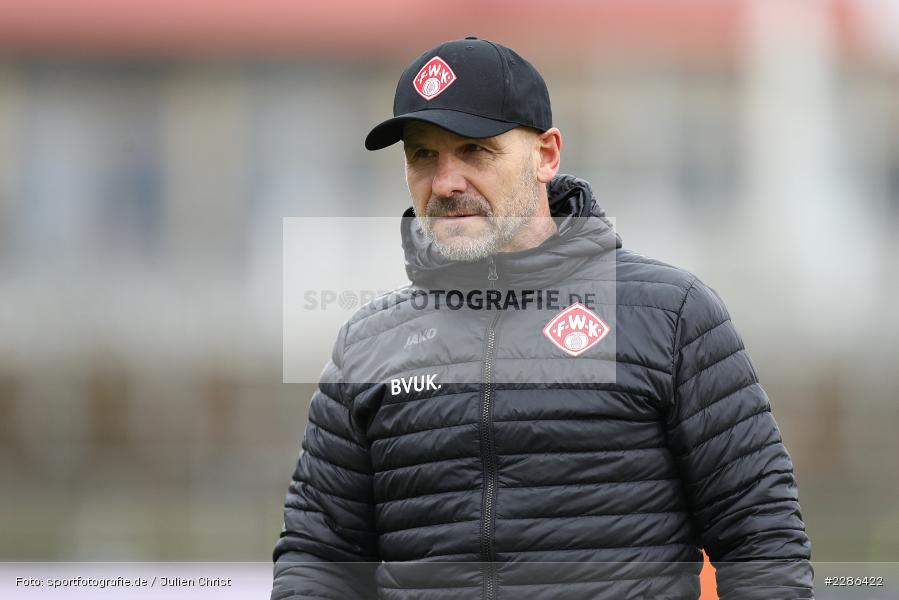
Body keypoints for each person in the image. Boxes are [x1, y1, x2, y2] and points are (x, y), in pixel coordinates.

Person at [271, 37, 814, 600]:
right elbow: (319, 559)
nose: (446, 182)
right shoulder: (369, 342)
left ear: (547, 155)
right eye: (423, 154)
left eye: (475, 150)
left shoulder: (671, 314)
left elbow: (760, 537)